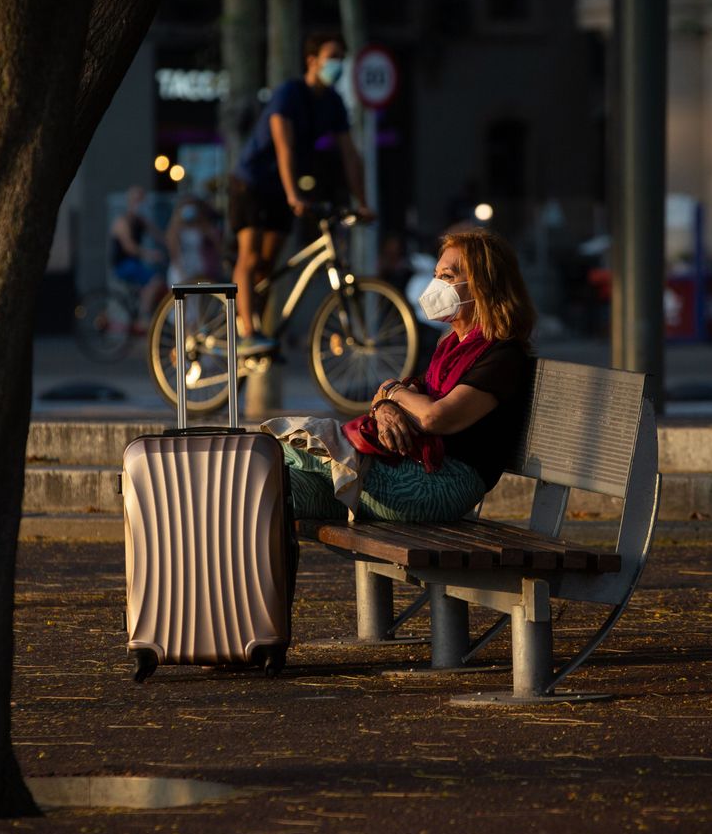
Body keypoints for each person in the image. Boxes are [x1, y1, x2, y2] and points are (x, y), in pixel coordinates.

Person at [281, 228, 536, 522]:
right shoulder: (451, 344)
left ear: (483, 286)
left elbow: (434, 416)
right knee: (283, 489)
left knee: (289, 448)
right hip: (412, 467)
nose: (436, 285)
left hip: (444, 484)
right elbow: (411, 396)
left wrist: (391, 392)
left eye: (448, 277)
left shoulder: (502, 354)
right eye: (437, 274)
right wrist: (386, 405)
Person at [230, 32, 373, 355]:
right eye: (332, 56)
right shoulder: (289, 93)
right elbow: (285, 146)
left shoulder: (333, 102)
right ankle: (248, 332)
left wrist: (362, 202)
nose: (337, 64)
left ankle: (253, 333)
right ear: (312, 59)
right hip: (251, 182)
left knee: (268, 265)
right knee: (250, 257)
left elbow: (350, 154)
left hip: (283, 189)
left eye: (341, 58)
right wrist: (294, 193)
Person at [110, 184, 167, 322]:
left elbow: (159, 235)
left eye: (142, 200)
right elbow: (129, 247)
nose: (140, 204)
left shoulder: (140, 221)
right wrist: (150, 254)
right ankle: (143, 317)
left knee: (149, 285)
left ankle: (143, 312)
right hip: (123, 265)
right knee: (155, 281)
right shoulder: (122, 222)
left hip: (135, 263)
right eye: (137, 200)